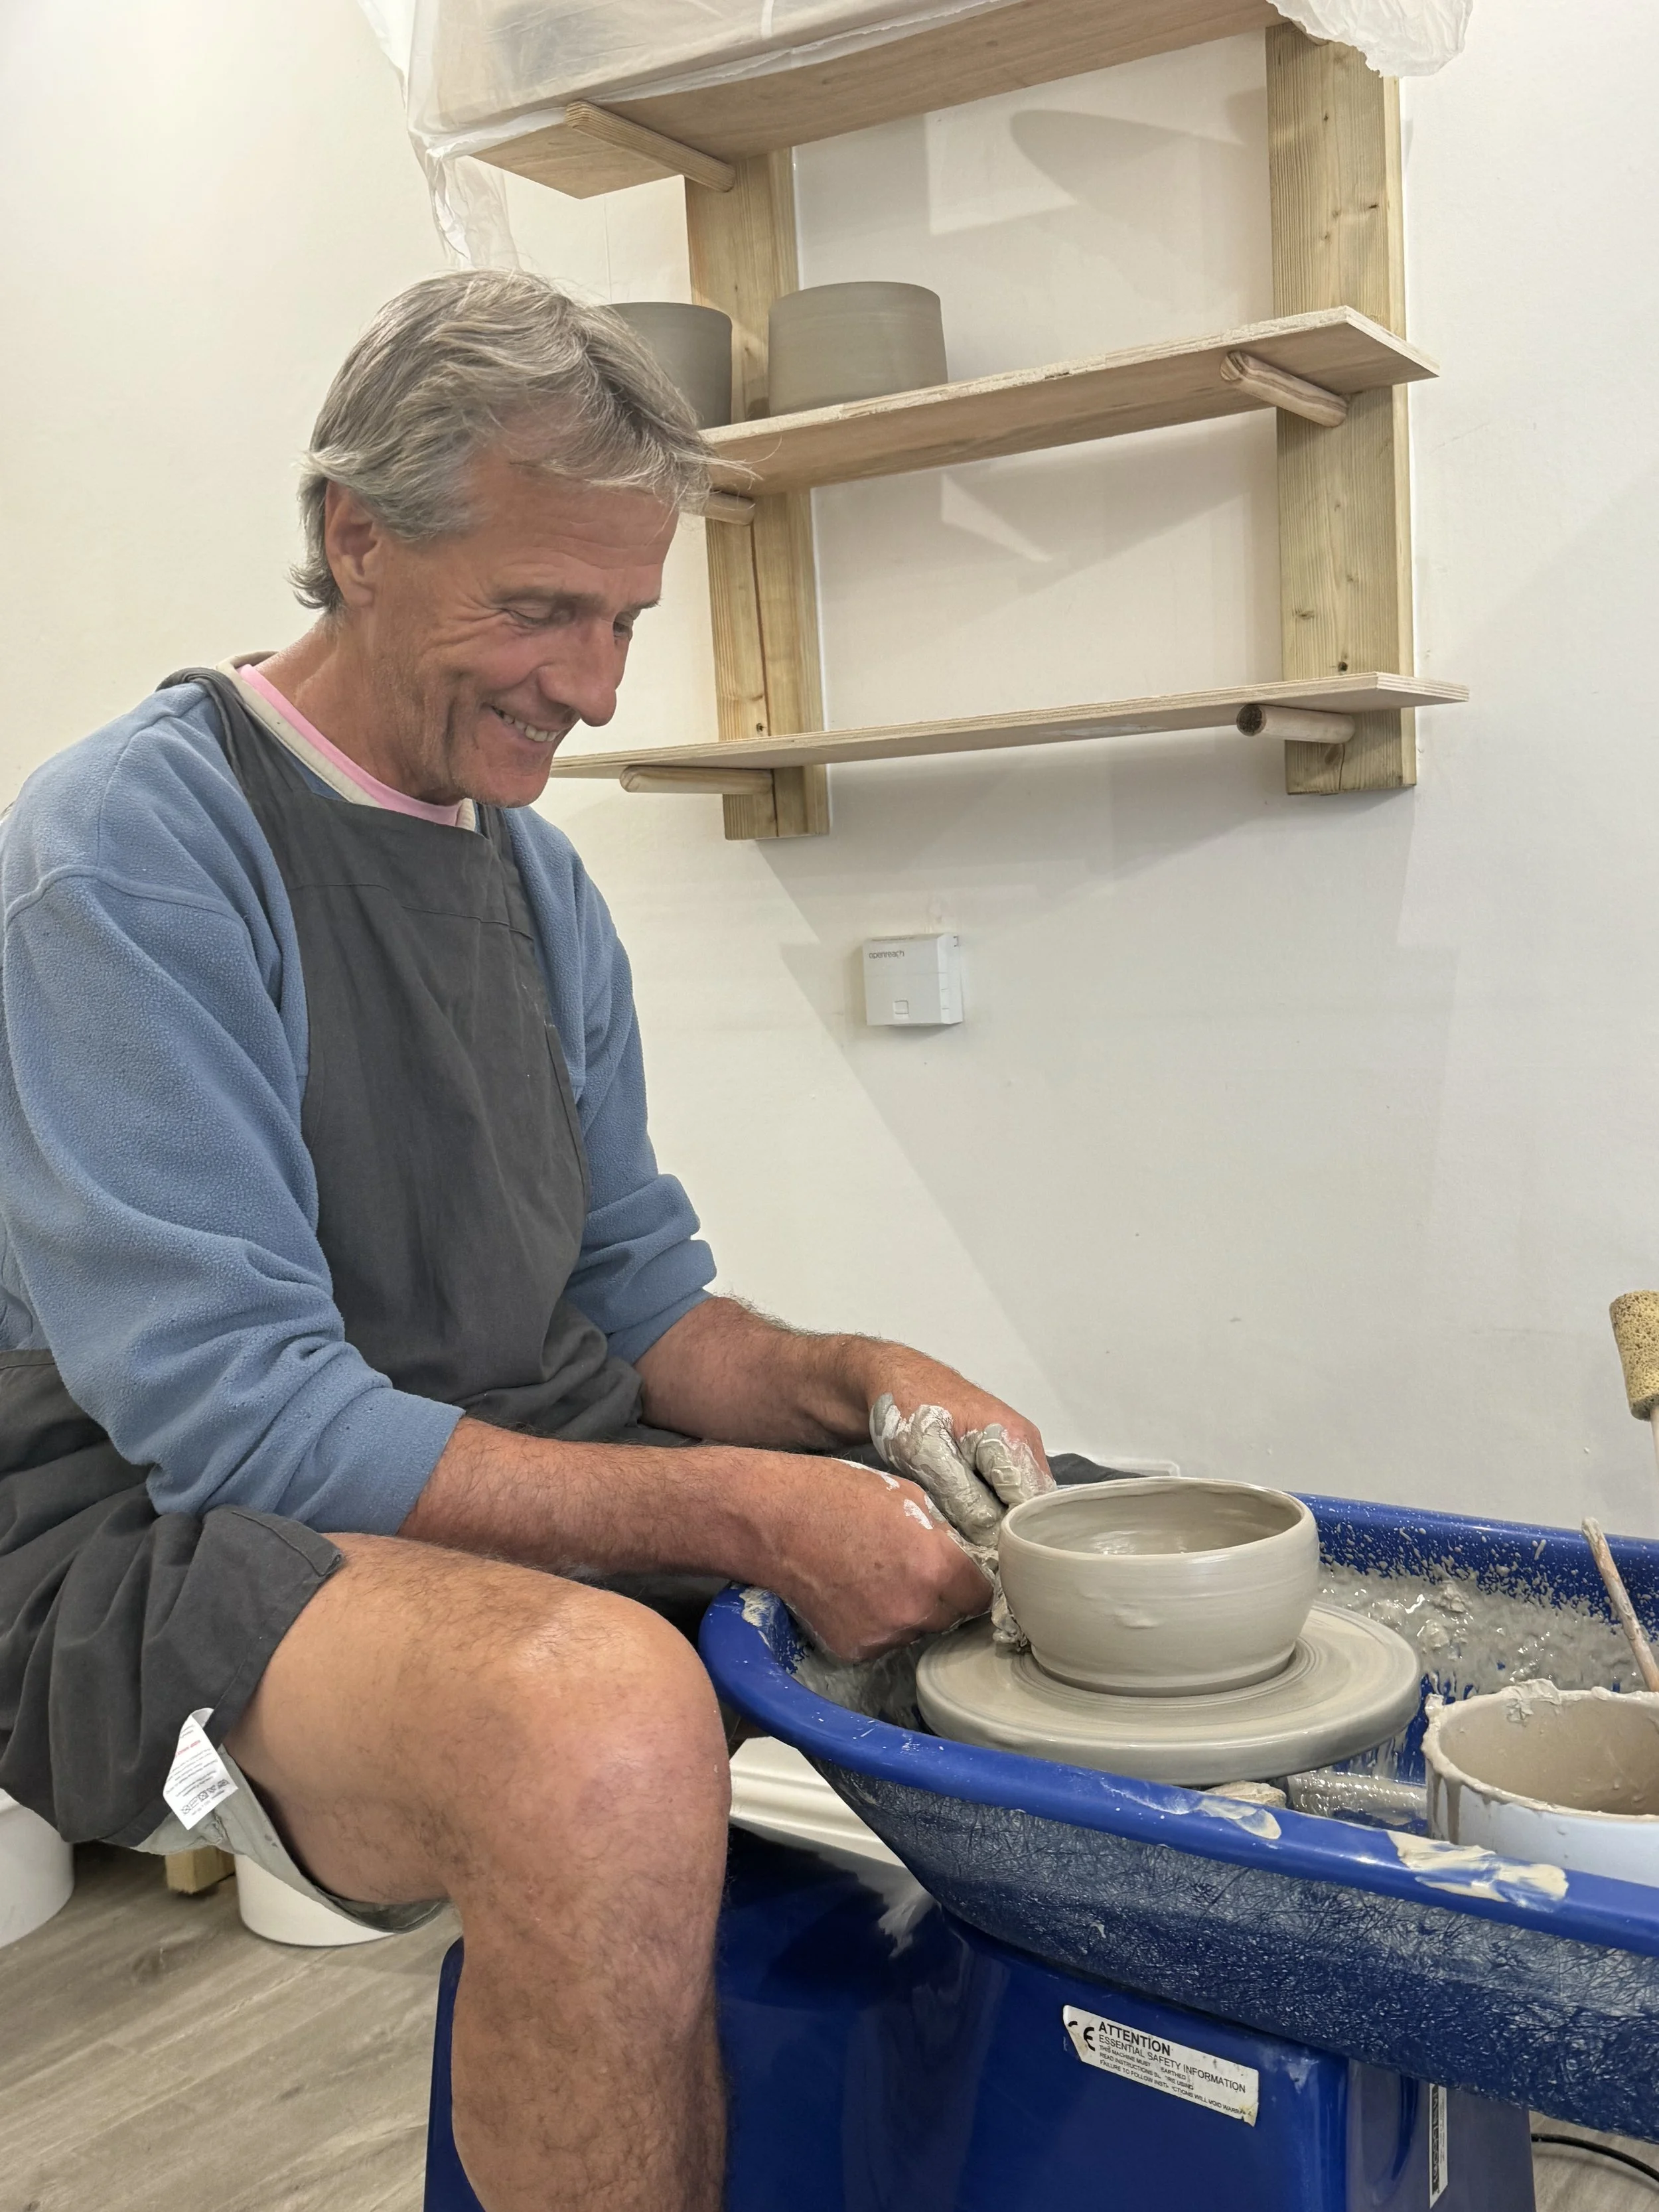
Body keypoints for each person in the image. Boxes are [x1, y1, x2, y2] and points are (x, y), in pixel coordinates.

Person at [0, 271, 1052, 2212]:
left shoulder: (537, 878)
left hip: (458, 1452)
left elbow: (636, 1294)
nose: (597, 683)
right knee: (593, 1721)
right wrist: (740, 1511)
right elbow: (237, 1421)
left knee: (1042, 1542)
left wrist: (849, 1385)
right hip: (139, 1539)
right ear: (356, 539)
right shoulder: (128, 850)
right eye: (544, 607)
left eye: (627, 617)